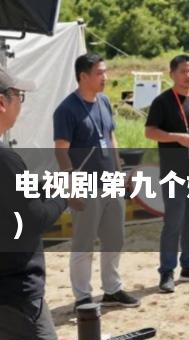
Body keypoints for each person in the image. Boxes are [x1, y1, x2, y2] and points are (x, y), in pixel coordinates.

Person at [54, 53, 140, 309]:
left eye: (105, 71)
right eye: (100, 73)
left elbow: (110, 138)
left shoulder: (103, 101)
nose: (106, 77)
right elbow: (60, 150)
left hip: (111, 181)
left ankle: (112, 290)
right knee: (84, 242)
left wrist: (120, 173)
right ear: (83, 76)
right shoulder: (66, 110)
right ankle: (82, 296)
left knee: (115, 239)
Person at [0, 66, 65, 340]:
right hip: (14, 300)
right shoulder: (6, 161)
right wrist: (63, 194)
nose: (20, 104)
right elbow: (31, 219)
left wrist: (41, 185)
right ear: (2, 103)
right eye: (19, 96)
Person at [145, 54, 189, 293]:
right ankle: (166, 271)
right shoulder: (162, 102)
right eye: (184, 71)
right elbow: (150, 132)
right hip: (173, 173)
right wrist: (177, 138)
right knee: (173, 222)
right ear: (172, 74)